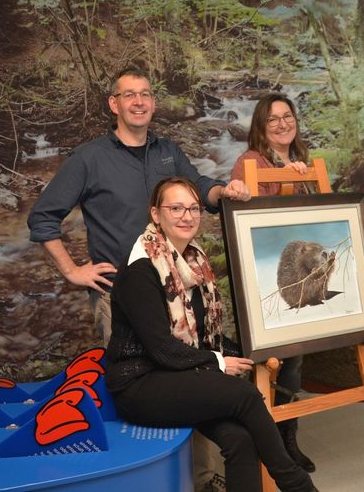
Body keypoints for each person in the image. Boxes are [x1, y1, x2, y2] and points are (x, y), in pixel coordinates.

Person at [106, 177, 318, 492]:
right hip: (140, 384)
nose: (187, 216)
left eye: (193, 208)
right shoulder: (141, 270)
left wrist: (252, 350)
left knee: (241, 439)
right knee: (244, 395)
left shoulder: (194, 263)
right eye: (175, 208)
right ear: (155, 213)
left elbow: (206, 337)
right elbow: (162, 350)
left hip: (180, 375)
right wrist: (218, 362)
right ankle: (296, 485)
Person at [27, 66, 249, 347]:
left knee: (181, 374)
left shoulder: (167, 151)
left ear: (153, 104)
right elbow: (42, 218)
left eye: (145, 94)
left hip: (175, 287)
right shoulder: (88, 159)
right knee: (136, 383)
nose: (139, 102)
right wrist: (72, 271)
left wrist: (224, 191)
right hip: (119, 294)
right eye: (129, 94)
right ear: (113, 103)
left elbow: (200, 187)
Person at [230, 92, 316, 473]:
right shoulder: (250, 162)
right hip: (264, 277)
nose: (283, 124)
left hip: (297, 278)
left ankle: (287, 440)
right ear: (261, 127)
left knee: (295, 360)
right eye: (273, 119)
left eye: (288, 116)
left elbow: (311, 219)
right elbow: (244, 219)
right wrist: (283, 181)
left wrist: (301, 179)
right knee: (268, 362)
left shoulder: (302, 161)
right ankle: (266, 443)